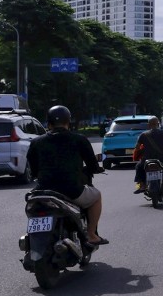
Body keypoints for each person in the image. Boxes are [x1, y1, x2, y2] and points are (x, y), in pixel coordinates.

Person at [26, 105, 107, 246]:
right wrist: (95, 169)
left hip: (42, 190)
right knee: (96, 196)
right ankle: (92, 235)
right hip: (72, 190)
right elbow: (92, 165)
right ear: (68, 122)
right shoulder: (79, 139)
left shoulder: (36, 142)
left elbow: (33, 168)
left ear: (48, 123)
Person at [133, 116, 163, 194]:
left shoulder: (143, 134)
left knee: (138, 167)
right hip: (162, 159)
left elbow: (137, 147)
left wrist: (143, 149)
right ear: (158, 124)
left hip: (146, 160)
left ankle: (142, 185)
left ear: (148, 125)